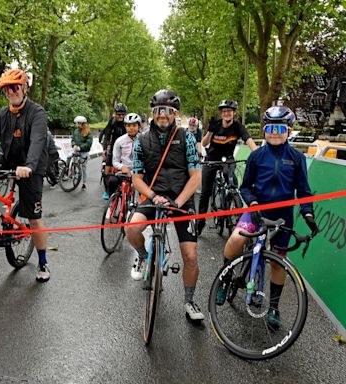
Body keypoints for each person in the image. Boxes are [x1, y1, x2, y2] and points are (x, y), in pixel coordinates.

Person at [217, 105, 318, 329]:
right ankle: (224, 278)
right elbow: (245, 187)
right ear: (264, 130)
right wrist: (252, 203)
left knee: (277, 263)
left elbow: (303, 191)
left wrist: (308, 213)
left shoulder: (297, 158)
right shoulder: (256, 156)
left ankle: (273, 307)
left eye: (280, 128)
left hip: (282, 217)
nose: (274, 132)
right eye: (270, 128)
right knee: (236, 240)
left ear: (289, 131)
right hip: (256, 211)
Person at [125, 89, 204, 321]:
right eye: (158, 110)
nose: (162, 115)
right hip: (154, 196)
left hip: (181, 198)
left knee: (190, 256)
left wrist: (178, 202)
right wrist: (153, 196)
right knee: (131, 228)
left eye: (167, 111)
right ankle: (143, 255)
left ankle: (189, 301)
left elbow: (196, 176)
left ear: (175, 114)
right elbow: (136, 179)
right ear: (152, 113)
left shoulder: (186, 137)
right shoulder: (141, 140)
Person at [0, 68, 51, 282]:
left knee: (34, 218)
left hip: (31, 167)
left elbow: (38, 142)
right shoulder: (4, 113)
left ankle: (43, 262)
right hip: (8, 158)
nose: (11, 92)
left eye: (15, 87)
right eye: (7, 89)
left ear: (24, 88)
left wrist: (28, 166)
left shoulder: (37, 112)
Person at [197, 100, 258, 234]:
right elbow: (204, 143)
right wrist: (210, 131)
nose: (226, 113)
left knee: (232, 184)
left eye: (229, 111)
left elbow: (249, 141)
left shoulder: (238, 127)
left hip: (228, 160)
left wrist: (258, 156)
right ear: (221, 113)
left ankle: (232, 201)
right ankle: (200, 222)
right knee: (205, 192)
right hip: (211, 160)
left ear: (234, 113)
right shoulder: (216, 125)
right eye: (224, 111)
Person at [108, 112, 141, 194]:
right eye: (128, 126)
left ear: (139, 126)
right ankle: (112, 204)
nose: (131, 128)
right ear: (125, 126)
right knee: (112, 181)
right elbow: (115, 161)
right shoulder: (119, 141)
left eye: (134, 125)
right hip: (124, 171)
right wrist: (122, 167)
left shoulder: (144, 139)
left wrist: (135, 172)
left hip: (139, 172)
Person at [100, 103, 127, 200]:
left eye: (122, 114)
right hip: (113, 148)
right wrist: (104, 149)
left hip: (124, 149)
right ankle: (107, 190)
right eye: (118, 114)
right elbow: (107, 135)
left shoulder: (127, 123)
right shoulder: (112, 121)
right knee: (106, 170)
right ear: (115, 114)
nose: (120, 116)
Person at [68, 116, 92, 190]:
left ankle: (84, 183)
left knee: (83, 167)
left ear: (81, 123)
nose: (76, 125)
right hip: (76, 150)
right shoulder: (76, 131)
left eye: (77, 123)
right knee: (69, 158)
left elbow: (88, 144)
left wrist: (80, 147)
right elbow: (73, 140)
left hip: (84, 152)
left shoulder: (88, 132)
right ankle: (69, 171)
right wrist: (73, 145)